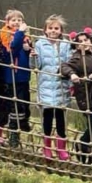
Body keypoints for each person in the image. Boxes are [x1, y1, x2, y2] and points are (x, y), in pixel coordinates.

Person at [61, 29, 92, 165]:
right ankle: (83, 143)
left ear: (91, 41)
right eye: (80, 42)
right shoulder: (77, 58)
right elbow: (64, 66)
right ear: (76, 46)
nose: (84, 43)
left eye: (86, 40)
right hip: (86, 95)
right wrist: (72, 74)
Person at [34, 15, 72, 161]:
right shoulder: (40, 44)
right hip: (46, 86)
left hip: (61, 87)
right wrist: (33, 56)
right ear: (45, 30)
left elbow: (69, 63)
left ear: (61, 31)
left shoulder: (65, 44)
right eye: (50, 28)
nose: (53, 31)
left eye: (56, 28)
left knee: (61, 119)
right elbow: (36, 66)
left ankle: (61, 148)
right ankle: (47, 147)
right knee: (47, 119)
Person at [0, 10, 33, 148]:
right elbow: (13, 49)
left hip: (23, 76)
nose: (16, 22)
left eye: (19, 20)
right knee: (14, 107)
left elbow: (25, 53)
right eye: (13, 20)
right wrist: (20, 33)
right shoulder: (7, 35)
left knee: (24, 104)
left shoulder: (25, 37)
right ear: (7, 22)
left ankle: (23, 123)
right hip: (11, 78)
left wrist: (29, 49)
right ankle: (13, 135)